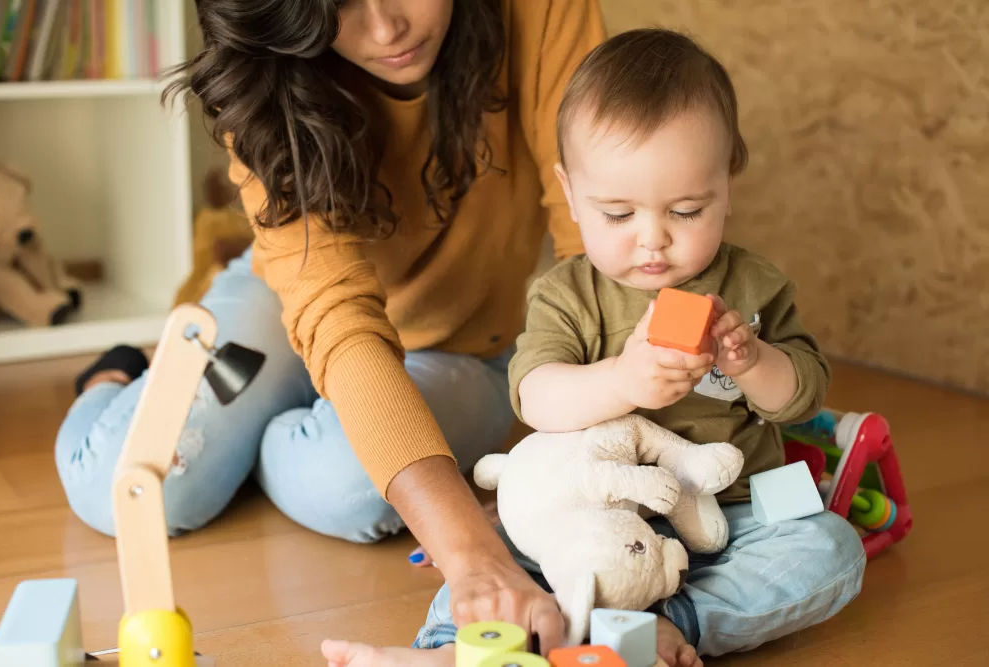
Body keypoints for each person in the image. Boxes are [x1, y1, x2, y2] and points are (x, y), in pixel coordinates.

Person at [53, 0, 607, 657]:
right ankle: (115, 373)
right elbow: (335, 313)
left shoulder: (542, 11)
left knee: (349, 488)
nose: (385, 29)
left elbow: (595, 238)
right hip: (292, 299)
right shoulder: (262, 67)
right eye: (336, 4)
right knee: (122, 487)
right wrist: (471, 548)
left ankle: (270, 428)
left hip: (460, 341)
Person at [326, 27, 866, 667]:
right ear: (572, 194)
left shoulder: (753, 286)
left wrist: (752, 361)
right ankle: (458, 652)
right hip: (589, 513)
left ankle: (659, 625)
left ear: (729, 183)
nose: (652, 241)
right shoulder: (566, 295)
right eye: (618, 214)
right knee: (506, 557)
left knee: (832, 550)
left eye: (687, 210)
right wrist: (622, 383)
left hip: (728, 515)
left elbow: (801, 395)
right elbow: (536, 398)